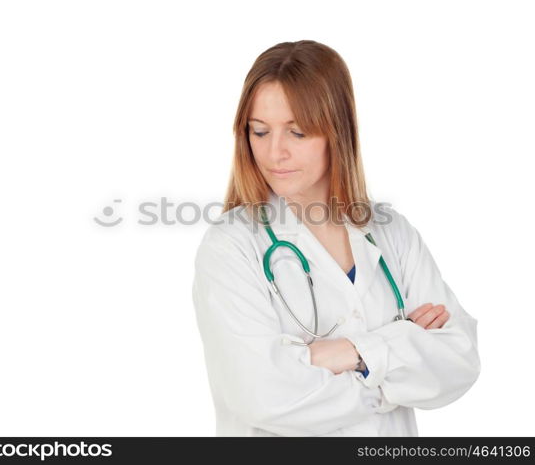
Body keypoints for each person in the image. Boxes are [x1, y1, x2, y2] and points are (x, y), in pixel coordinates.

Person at [191, 40, 481, 437]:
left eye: (297, 132)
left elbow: (458, 360)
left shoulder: (391, 233)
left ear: (337, 131)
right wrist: (396, 363)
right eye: (259, 131)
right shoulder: (232, 246)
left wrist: (352, 353)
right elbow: (263, 396)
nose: (275, 152)